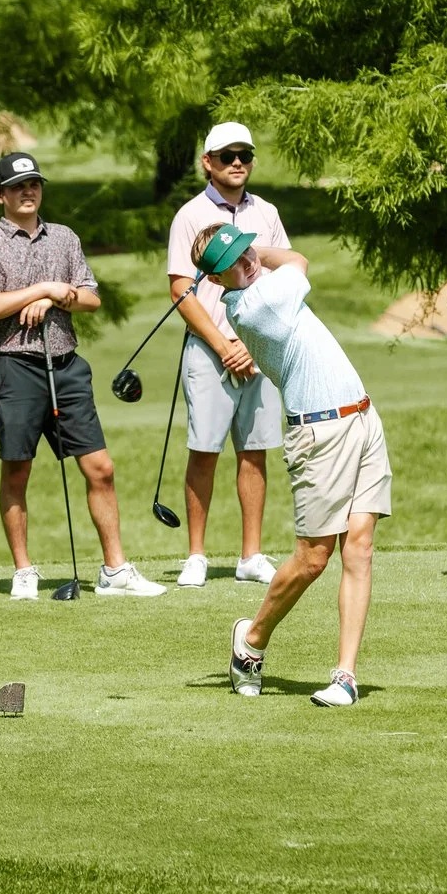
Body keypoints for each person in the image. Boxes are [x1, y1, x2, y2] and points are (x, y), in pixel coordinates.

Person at [193, 223, 387, 708]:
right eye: (233, 264)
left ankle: (345, 676)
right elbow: (298, 259)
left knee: (359, 549)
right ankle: (252, 640)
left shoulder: (255, 285)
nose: (246, 263)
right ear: (216, 282)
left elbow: (287, 261)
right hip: (320, 436)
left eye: (245, 253)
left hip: (362, 417)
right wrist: (258, 250)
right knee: (313, 559)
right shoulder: (256, 307)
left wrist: (246, 248)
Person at [0, 150, 164, 600]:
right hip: (14, 368)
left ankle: (114, 571)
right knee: (17, 470)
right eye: (18, 187)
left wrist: (58, 298)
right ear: (1, 195)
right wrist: (43, 289)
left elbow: (91, 298)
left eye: (34, 184)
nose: (28, 192)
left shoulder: (64, 238)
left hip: (67, 365)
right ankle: (24, 571)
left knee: (101, 468)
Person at [163, 121, 289, 589]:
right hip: (210, 350)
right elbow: (181, 289)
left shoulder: (267, 212)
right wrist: (224, 345)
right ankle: (196, 555)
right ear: (208, 163)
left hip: (259, 351)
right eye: (227, 155)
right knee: (205, 449)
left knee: (254, 452)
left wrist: (256, 344)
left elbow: (281, 278)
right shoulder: (190, 215)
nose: (238, 162)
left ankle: (250, 556)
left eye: (245, 155)